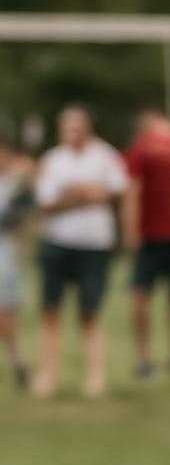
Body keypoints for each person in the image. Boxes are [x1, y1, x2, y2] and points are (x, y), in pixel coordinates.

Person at [33, 105, 128, 398]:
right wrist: (86, 194)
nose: (72, 133)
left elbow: (115, 192)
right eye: (67, 127)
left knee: (91, 311)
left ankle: (95, 377)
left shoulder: (106, 156)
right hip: (57, 242)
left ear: (87, 127)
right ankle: (47, 375)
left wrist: (71, 193)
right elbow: (46, 202)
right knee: (50, 310)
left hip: (94, 245)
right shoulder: (52, 160)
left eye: (77, 127)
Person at [122, 109, 170, 380]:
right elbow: (133, 190)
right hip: (152, 236)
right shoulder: (143, 150)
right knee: (143, 296)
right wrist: (131, 230)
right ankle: (145, 359)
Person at [0, 133, 33, 389]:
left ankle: (16, 359)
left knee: (6, 311)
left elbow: (21, 216)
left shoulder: (17, 185)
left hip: (6, 254)